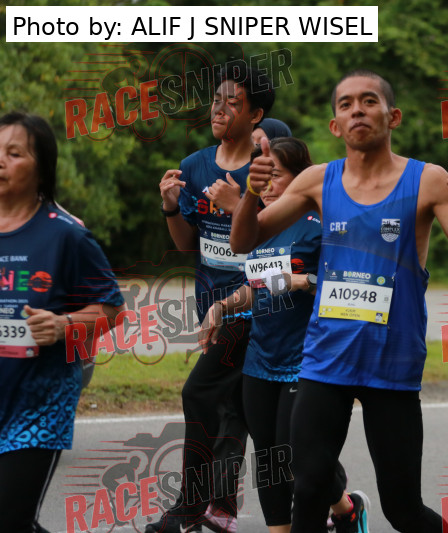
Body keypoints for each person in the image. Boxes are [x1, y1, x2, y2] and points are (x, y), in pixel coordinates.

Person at [230, 69, 448, 532]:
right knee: (308, 488)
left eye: (369, 101)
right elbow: (244, 241)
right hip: (325, 361)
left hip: (391, 364)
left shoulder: (429, 180)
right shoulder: (317, 180)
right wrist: (251, 193)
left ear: (393, 116)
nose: (358, 110)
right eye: (346, 104)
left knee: (402, 510)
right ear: (335, 125)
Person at [202, 138, 368, 532]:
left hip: (307, 359)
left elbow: (349, 282)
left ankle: (345, 508)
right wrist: (222, 306)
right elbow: (259, 286)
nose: (267, 184)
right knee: (269, 459)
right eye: (261, 177)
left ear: (300, 177)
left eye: (275, 175)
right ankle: (311, 521)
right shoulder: (260, 226)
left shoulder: (320, 224)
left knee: (296, 456)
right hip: (261, 359)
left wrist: (304, 280)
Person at [151, 64, 274, 533]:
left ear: (255, 114)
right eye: (216, 99)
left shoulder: (266, 170)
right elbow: (188, 244)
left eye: (232, 102)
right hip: (211, 304)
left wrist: (239, 203)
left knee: (199, 392)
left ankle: (190, 506)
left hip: (255, 306)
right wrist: (169, 206)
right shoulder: (194, 165)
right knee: (239, 408)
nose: (219, 109)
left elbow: (282, 242)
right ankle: (225, 509)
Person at [0, 111, 124, 533]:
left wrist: (62, 325)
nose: (1, 161)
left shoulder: (66, 235)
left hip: (37, 406)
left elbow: (112, 309)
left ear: (41, 168)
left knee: (10, 520)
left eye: (14, 153)